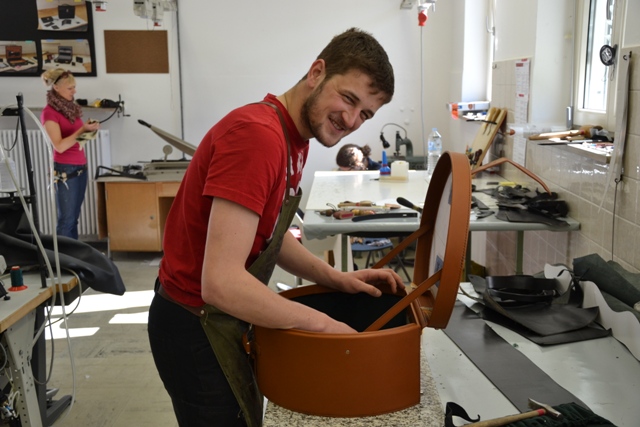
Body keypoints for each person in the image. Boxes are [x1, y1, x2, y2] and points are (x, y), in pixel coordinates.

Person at [147, 28, 400, 427]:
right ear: (316, 73)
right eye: (349, 99)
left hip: (218, 318)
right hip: (195, 326)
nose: (352, 120)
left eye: (366, 114)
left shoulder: (293, 139)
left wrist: (338, 279)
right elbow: (222, 283)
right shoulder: (258, 137)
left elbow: (269, 236)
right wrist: (325, 326)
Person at [40, 68, 100, 239]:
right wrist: (82, 130)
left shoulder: (70, 108)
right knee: (66, 221)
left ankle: (73, 255)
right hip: (65, 170)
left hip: (80, 167)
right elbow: (59, 146)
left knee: (73, 219)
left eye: (74, 87)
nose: (74, 91)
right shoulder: (49, 113)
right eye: (70, 88)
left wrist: (89, 131)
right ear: (56, 88)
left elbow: (75, 140)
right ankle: (63, 256)